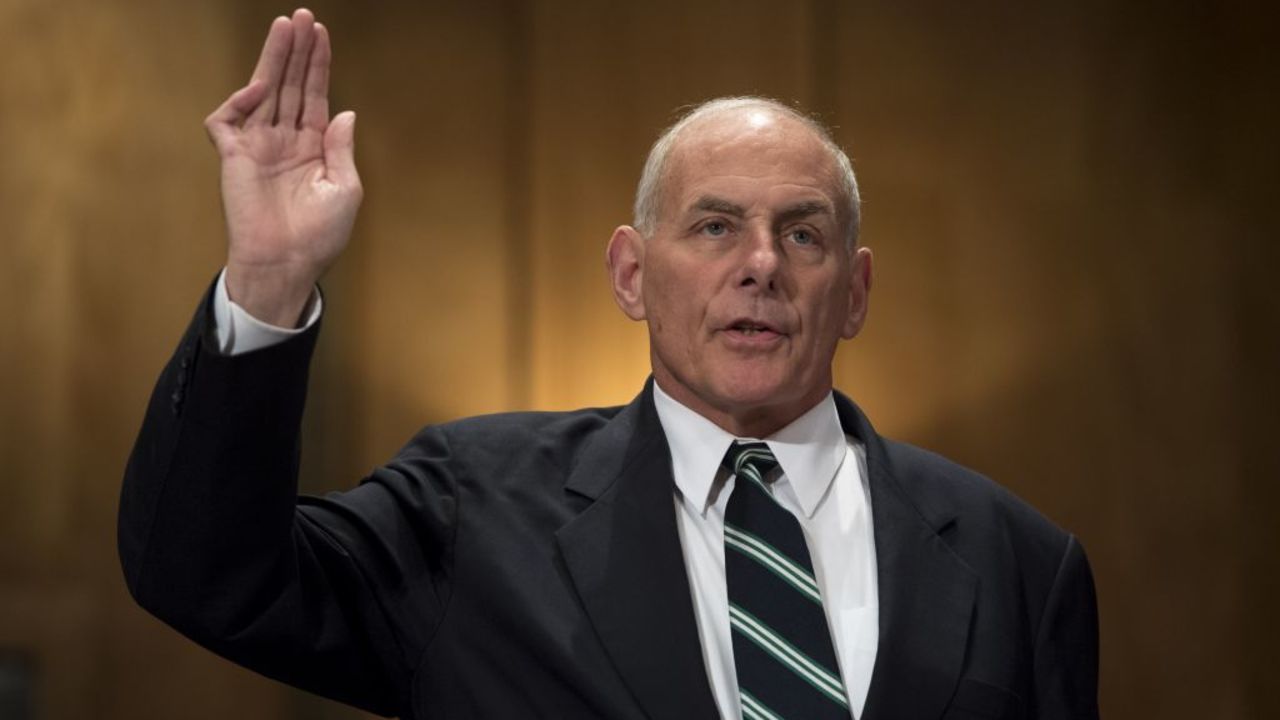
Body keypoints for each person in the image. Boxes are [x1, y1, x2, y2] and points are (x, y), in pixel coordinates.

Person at [119, 8, 1099, 720]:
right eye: (713, 226)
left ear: (854, 291)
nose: (759, 263)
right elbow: (205, 576)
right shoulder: (470, 512)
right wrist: (269, 277)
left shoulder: (1016, 561)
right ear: (629, 274)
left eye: (801, 235)